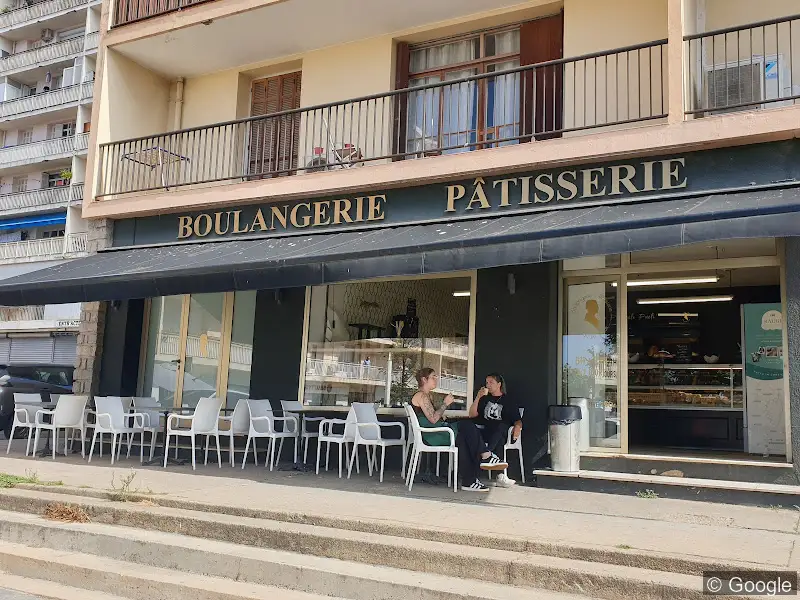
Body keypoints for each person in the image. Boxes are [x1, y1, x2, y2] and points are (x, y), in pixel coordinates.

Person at [411, 367, 507, 492]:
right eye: (433, 376)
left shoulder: (427, 396)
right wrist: (445, 404)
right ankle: (486, 455)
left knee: (462, 439)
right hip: (433, 435)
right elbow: (433, 419)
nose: (436, 379)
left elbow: (433, 417)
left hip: (438, 432)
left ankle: (469, 481)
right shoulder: (421, 396)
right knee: (466, 425)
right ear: (424, 379)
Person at [469, 373, 522, 488]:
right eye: (486, 382)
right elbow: (472, 415)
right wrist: (478, 397)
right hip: (486, 432)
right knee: (473, 430)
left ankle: (487, 455)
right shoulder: (484, 399)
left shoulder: (508, 400)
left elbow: (517, 419)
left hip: (503, 432)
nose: (488, 385)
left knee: (501, 427)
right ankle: (500, 475)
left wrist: (518, 427)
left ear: (499, 384)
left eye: (491, 382)